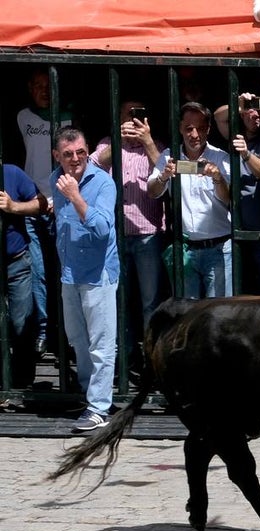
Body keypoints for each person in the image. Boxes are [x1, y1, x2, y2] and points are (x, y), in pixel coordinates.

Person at [51, 127, 119, 433]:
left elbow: (102, 228)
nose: (75, 159)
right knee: (77, 339)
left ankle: (99, 407)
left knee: (101, 343)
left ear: (87, 150)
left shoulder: (103, 183)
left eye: (80, 152)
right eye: (67, 154)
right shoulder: (56, 179)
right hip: (70, 272)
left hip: (98, 273)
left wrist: (75, 197)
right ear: (57, 156)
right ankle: (89, 395)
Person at [93, 100, 168, 365]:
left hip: (148, 233)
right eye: (127, 115)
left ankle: (151, 358)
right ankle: (123, 358)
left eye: (138, 115)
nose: (132, 120)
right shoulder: (107, 143)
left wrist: (146, 141)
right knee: (118, 299)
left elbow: (167, 173)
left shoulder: (156, 145)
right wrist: (118, 137)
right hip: (115, 234)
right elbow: (91, 166)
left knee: (150, 301)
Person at [147, 102, 233, 299]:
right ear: (180, 129)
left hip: (219, 248)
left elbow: (229, 199)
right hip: (186, 249)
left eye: (201, 128)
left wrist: (218, 178)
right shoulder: (169, 156)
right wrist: (164, 176)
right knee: (186, 314)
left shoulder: (221, 158)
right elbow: (152, 192)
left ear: (208, 129)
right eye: (189, 129)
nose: (194, 135)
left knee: (218, 312)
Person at [17, 68, 73, 357]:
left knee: (65, 272)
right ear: (29, 88)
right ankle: (43, 330)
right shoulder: (22, 117)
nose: (43, 90)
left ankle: (66, 333)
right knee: (38, 272)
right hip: (32, 204)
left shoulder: (69, 119)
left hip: (63, 204)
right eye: (37, 85)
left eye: (47, 85)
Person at [0, 163, 48, 388]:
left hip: (16, 261)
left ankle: (22, 383)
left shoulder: (11, 173)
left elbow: (41, 204)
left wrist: (13, 207)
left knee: (21, 324)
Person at [231, 95, 260, 294]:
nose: (256, 115)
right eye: (251, 110)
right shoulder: (234, 136)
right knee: (240, 287)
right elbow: (218, 116)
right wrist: (239, 103)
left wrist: (246, 154)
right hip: (235, 229)